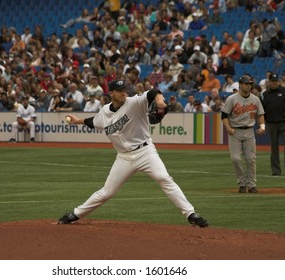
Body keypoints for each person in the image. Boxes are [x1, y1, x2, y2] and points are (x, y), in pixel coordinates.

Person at [58, 80, 208, 228]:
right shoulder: (104, 112)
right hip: (123, 158)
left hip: (145, 152)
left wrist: (160, 102)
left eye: (124, 89)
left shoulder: (134, 102)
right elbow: (94, 121)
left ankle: (190, 214)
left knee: (164, 178)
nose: (124, 92)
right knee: (107, 192)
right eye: (119, 90)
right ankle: (75, 214)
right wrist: (78, 121)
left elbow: (153, 92)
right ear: (111, 93)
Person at [221, 75, 266, 193]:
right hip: (235, 131)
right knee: (235, 159)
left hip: (249, 130)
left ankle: (251, 185)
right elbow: (224, 115)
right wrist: (228, 128)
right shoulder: (232, 99)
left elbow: (260, 114)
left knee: (251, 159)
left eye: (250, 84)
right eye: (246, 83)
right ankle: (242, 183)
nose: (248, 86)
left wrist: (262, 126)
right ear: (240, 84)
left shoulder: (255, 99)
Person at [260, 74, 285, 176]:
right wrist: (262, 123)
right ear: (269, 82)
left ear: (279, 81)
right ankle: (276, 170)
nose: (274, 82)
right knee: (274, 148)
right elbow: (260, 110)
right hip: (271, 123)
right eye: (272, 81)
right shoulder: (264, 94)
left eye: (276, 81)